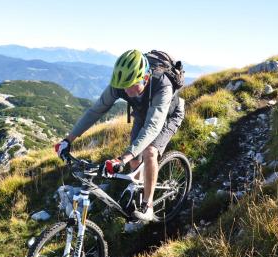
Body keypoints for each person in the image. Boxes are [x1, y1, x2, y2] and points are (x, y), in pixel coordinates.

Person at [55, 49, 184, 226]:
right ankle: (137, 194)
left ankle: (148, 206)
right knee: (134, 162)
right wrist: (68, 139)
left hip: (169, 115)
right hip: (142, 114)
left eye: (132, 85)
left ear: (145, 77)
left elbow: (153, 127)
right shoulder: (119, 84)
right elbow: (96, 110)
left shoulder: (163, 85)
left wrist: (123, 158)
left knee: (150, 151)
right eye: (124, 86)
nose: (127, 90)